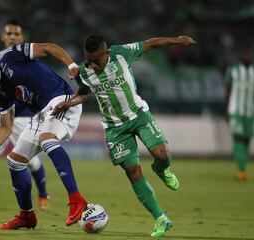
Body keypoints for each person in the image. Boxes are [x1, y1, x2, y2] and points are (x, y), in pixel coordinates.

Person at [52, 35, 196, 237]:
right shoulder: (83, 71)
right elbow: (84, 93)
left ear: (106, 53)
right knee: (133, 171)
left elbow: (150, 43)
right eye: (88, 60)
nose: (91, 64)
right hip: (115, 128)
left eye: (96, 60)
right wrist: (69, 103)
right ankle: (160, 218)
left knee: (161, 155)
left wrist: (177, 40)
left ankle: (162, 170)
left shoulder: (121, 53)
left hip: (138, 115)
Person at [0, 42, 87, 229]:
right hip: (40, 114)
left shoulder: (10, 56)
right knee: (15, 162)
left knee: (47, 139)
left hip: (61, 99)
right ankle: (26, 216)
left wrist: (72, 65)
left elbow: (49, 48)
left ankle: (77, 200)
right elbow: (5, 128)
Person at [0, 19, 49, 212]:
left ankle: (43, 195)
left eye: (16, 34)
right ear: (3, 37)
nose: (13, 37)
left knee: (31, 161)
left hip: (24, 115)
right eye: (9, 34)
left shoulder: (27, 56)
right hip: (1, 113)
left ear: (21, 38)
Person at [224, 47, 254, 181]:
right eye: (245, 54)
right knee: (238, 137)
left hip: (250, 111)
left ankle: (243, 167)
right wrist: (226, 110)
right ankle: (241, 170)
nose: (247, 56)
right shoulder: (233, 71)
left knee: (247, 139)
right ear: (241, 56)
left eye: (249, 54)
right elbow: (227, 91)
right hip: (235, 111)